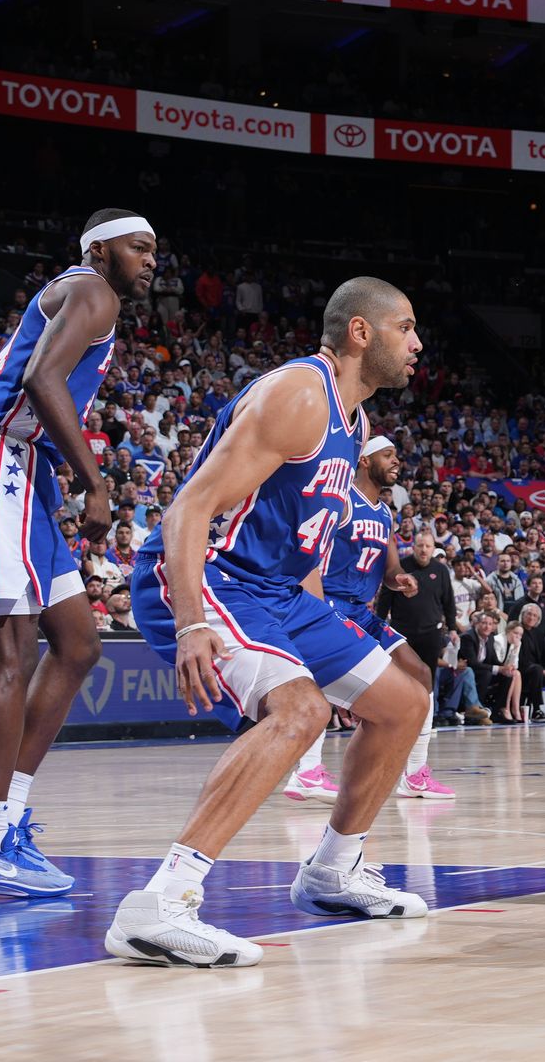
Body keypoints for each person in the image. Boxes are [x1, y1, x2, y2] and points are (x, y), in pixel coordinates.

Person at [107, 276, 432, 967]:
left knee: (403, 703)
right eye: (406, 328)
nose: (418, 343)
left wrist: (319, 625)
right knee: (299, 711)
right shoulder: (299, 395)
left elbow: (300, 533)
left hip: (277, 590)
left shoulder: (352, 421)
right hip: (209, 574)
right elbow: (188, 511)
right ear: (360, 333)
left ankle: (333, 871)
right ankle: (160, 904)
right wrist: (193, 623)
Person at [0, 210, 149, 897]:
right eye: (139, 246)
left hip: (21, 466)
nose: (151, 259)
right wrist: (94, 481)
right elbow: (40, 377)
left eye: (155, 250)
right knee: (12, 651)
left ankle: (7, 819)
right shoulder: (94, 288)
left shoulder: (92, 293)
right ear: (100, 247)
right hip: (0, 455)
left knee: (81, 643)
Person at [283, 436, 450, 802]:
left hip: (363, 609)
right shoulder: (340, 502)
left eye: (396, 456)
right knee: (320, 683)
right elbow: (307, 554)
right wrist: (316, 606)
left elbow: (390, 569)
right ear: (364, 461)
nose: (396, 462)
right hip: (329, 604)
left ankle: (415, 775)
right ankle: (308, 771)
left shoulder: (384, 513)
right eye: (387, 455)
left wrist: (399, 580)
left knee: (420, 673)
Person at [379, 527, 460, 726]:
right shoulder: (401, 567)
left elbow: (448, 602)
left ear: (433, 549)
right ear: (413, 547)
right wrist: (379, 624)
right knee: (402, 676)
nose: (424, 550)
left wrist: (452, 628)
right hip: (402, 633)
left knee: (428, 676)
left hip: (431, 632)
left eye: (428, 546)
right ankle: (400, 717)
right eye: (420, 545)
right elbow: (384, 599)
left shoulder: (440, 570)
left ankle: (425, 720)